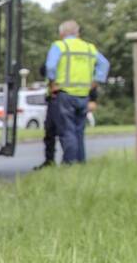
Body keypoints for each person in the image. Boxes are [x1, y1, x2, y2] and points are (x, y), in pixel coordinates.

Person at [44, 20, 110, 164]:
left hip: (65, 94)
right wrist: (96, 81)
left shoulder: (59, 46)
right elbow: (104, 64)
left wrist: (53, 82)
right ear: (78, 33)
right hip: (83, 95)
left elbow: (50, 67)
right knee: (79, 131)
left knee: (67, 131)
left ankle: (70, 163)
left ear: (62, 33)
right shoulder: (89, 47)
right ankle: (81, 162)